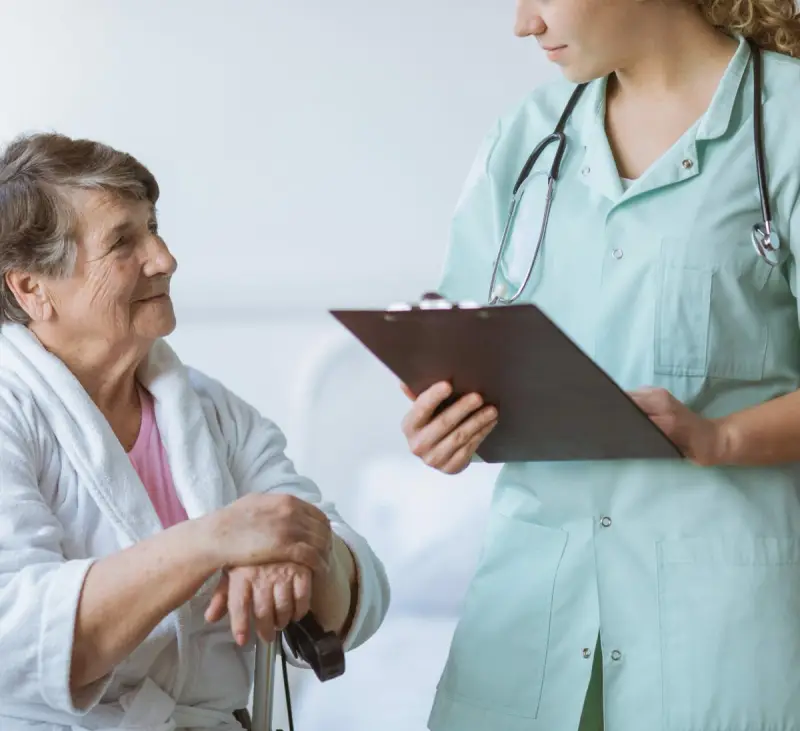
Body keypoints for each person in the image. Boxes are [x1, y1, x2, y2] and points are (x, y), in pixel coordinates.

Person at [400, 1, 800, 730]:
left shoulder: (788, 124)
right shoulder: (527, 136)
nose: (523, 24)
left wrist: (725, 438)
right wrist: (445, 424)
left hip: (719, 636)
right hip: (530, 629)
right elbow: (457, 332)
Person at [0, 133, 390, 731]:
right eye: (123, 241)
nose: (164, 257)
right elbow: (19, 641)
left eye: (153, 226)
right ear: (31, 287)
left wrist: (298, 552)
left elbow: (356, 586)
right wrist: (217, 539)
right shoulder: (9, 412)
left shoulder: (209, 409)